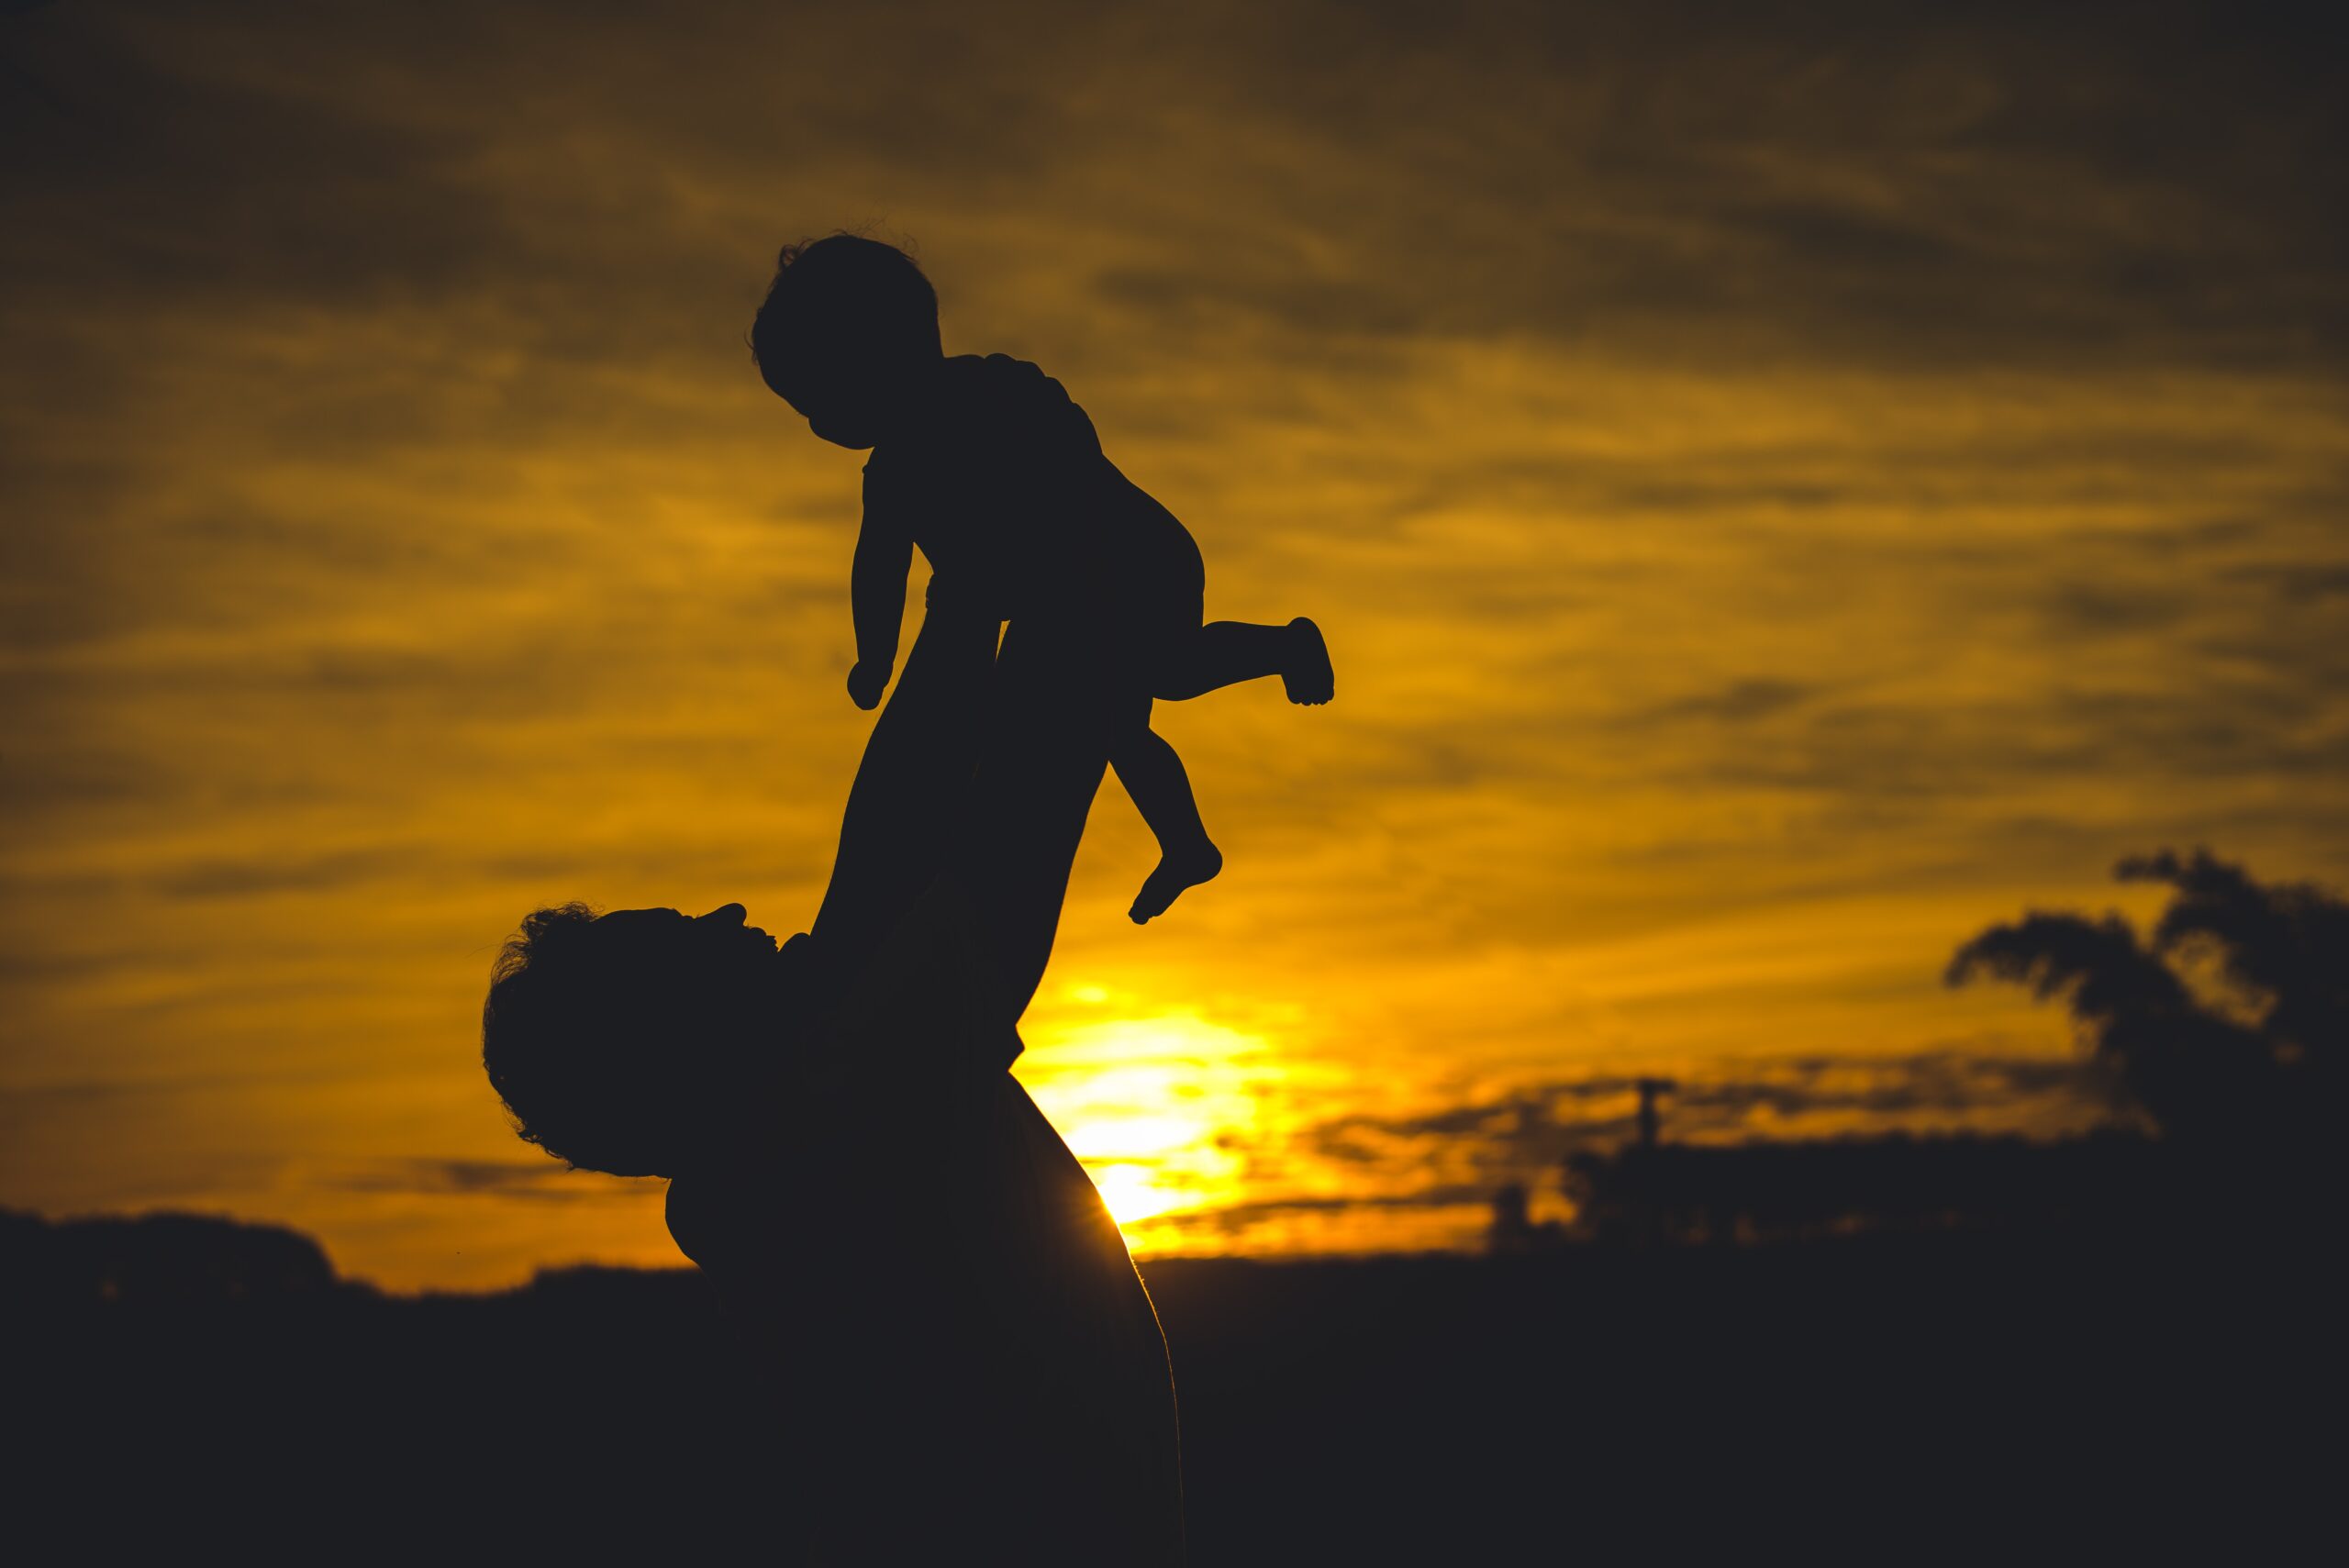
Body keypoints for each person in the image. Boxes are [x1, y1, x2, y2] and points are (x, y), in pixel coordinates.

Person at [480, 593, 1186, 1562]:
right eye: (687, 937)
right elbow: (1021, 800)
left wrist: (968, 600)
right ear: (677, 1034)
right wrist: (1065, 595)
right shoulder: (850, 1116)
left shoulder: (783, 1128)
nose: (729, 913)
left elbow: (887, 844)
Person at [749, 232, 1334, 923]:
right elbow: (878, 566)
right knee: (1120, 724)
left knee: (1166, 675)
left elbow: (1068, 463)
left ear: (875, 356)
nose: (819, 428)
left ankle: (1284, 648)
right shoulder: (904, 463)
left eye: (821, 402)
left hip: (1130, 558)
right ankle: (1188, 844)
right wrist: (874, 655)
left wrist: (1018, 560)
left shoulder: (995, 392)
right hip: (1083, 595)